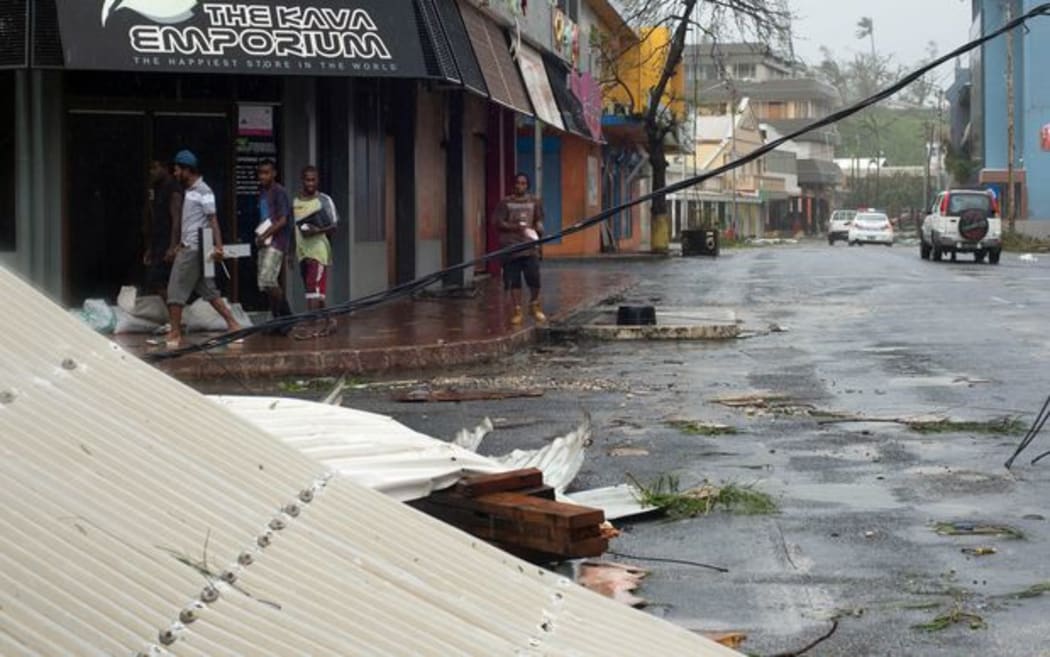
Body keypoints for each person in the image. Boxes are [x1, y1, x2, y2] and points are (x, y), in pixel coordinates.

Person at [160, 150, 242, 348]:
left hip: (193, 250)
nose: (175, 173)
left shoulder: (204, 191)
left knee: (175, 291)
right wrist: (180, 243)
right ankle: (234, 325)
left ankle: (175, 334)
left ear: (188, 170)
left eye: (178, 170)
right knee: (208, 291)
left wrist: (219, 247)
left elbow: (212, 219)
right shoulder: (190, 190)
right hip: (191, 247)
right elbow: (192, 222)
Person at [492, 172, 547, 326]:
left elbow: (539, 219)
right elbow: (497, 222)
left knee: (534, 277)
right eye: (518, 183)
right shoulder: (505, 203)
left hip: (530, 246)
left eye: (523, 183)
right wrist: (515, 227)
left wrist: (539, 226)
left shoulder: (534, 202)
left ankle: (534, 305)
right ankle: (517, 310)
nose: (520, 186)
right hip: (511, 247)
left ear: (527, 185)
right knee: (513, 281)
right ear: (513, 185)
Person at [292, 165, 339, 339]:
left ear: (317, 181)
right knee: (314, 292)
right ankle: (331, 320)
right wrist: (291, 253)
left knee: (313, 289)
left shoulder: (324, 200)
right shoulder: (296, 201)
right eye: (307, 179)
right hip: (302, 252)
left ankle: (310, 328)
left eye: (313, 180)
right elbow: (294, 229)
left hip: (318, 252)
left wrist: (316, 231)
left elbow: (334, 227)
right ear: (302, 180)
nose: (310, 183)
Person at [254, 159, 294, 333]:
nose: (263, 176)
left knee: (269, 279)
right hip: (265, 240)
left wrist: (265, 235)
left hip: (276, 242)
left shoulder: (280, 192)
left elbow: (283, 220)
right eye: (261, 173)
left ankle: (287, 317)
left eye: (266, 172)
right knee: (265, 283)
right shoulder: (262, 192)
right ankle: (277, 320)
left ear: (274, 173)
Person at [142, 160, 183, 298]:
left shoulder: (173, 188)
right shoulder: (155, 187)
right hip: (157, 241)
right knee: (154, 281)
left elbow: (176, 219)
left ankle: (176, 315)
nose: (152, 172)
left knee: (158, 280)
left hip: (167, 241)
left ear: (165, 168)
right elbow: (152, 216)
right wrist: (150, 248)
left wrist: (172, 246)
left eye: (155, 168)